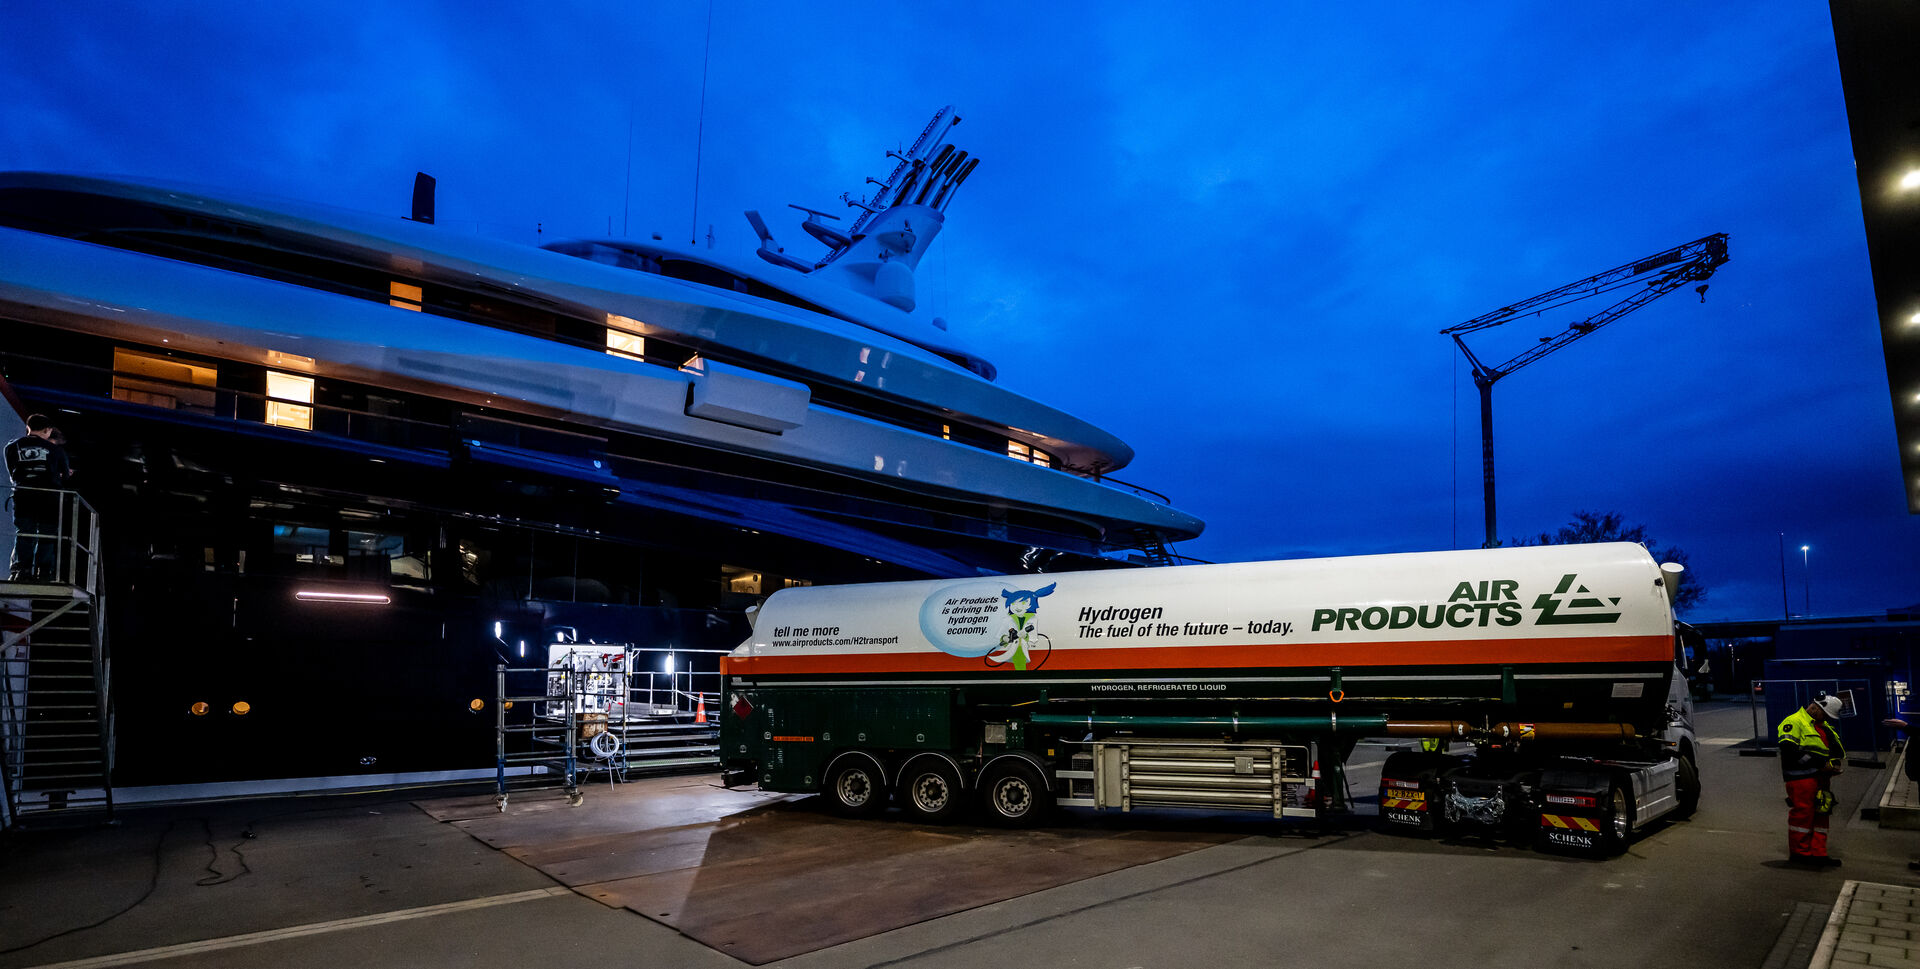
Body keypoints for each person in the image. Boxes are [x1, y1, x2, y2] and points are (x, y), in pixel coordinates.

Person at [1779, 693, 1847, 868]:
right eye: (1825, 715)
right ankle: (1800, 854)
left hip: (1820, 777)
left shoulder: (1822, 725)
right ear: (1815, 708)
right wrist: (1820, 765)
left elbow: (1832, 749)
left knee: (1822, 813)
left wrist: (1833, 764)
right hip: (1801, 777)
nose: (1826, 718)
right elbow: (1789, 751)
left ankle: (1818, 853)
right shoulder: (1793, 721)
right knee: (1803, 815)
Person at [4, 414, 72, 582]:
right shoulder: (56, 450)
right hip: (48, 498)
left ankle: (22, 570)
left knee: (24, 532)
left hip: (22, 496)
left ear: (28, 427)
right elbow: (65, 476)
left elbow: (12, 474)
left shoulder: (11, 447)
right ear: (47, 430)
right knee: (47, 534)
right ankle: (44, 572)